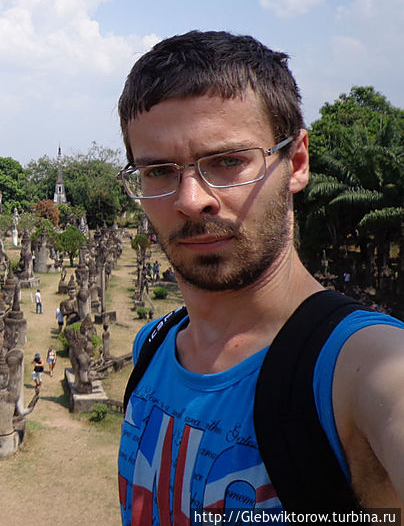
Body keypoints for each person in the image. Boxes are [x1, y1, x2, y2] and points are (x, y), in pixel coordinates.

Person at [116, 31, 404, 519]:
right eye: (159, 170)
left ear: (296, 161)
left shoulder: (360, 369)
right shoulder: (153, 346)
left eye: (228, 162)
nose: (191, 200)